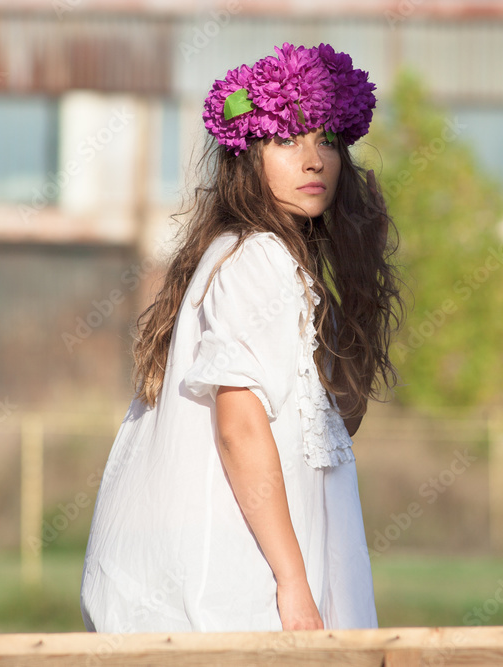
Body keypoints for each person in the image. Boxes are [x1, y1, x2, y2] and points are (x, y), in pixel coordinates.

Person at [80, 42, 403, 633]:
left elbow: (336, 422)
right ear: (247, 158)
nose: (314, 161)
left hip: (258, 578)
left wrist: (361, 275)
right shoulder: (258, 259)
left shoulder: (274, 261)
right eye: (287, 140)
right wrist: (294, 585)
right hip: (239, 588)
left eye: (326, 139)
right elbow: (239, 425)